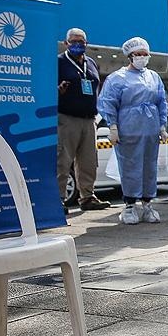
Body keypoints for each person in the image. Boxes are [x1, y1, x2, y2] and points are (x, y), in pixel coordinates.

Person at [97, 37, 168, 224]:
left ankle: (147, 204)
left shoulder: (153, 76)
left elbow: (161, 101)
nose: (143, 58)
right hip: (129, 129)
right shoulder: (117, 78)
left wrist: (161, 125)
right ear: (130, 56)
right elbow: (108, 103)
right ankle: (129, 206)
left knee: (149, 167)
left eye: (145, 54)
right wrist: (112, 126)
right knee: (130, 168)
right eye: (139, 55)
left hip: (150, 130)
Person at [57, 28, 111, 212]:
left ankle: (87, 197)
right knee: (63, 160)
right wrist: (59, 90)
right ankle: (58, 199)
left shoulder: (92, 63)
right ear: (66, 43)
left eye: (81, 42)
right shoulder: (59, 62)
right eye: (73, 41)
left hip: (89, 119)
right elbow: (48, 89)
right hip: (67, 118)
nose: (77, 45)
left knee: (88, 161)